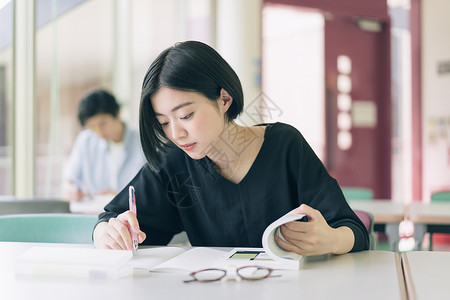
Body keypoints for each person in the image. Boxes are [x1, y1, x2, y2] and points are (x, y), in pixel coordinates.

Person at [93, 41, 369, 256]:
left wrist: (331, 239)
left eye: (186, 115)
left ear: (224, 99)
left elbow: (354, 231)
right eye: (163, 122)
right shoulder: (174, 162)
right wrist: (108, 232)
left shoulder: (284, 146)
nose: (176, 133)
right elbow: (111, 218)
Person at [62, 89, 146, 202]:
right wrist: (72, 190)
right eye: (92, 127)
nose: (99, 132)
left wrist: (120, 197)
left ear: (117, 114)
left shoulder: (143, 141)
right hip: (93, 215)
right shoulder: (85, 141)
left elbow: (153, 190)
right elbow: (68, 181)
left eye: (102, 124)